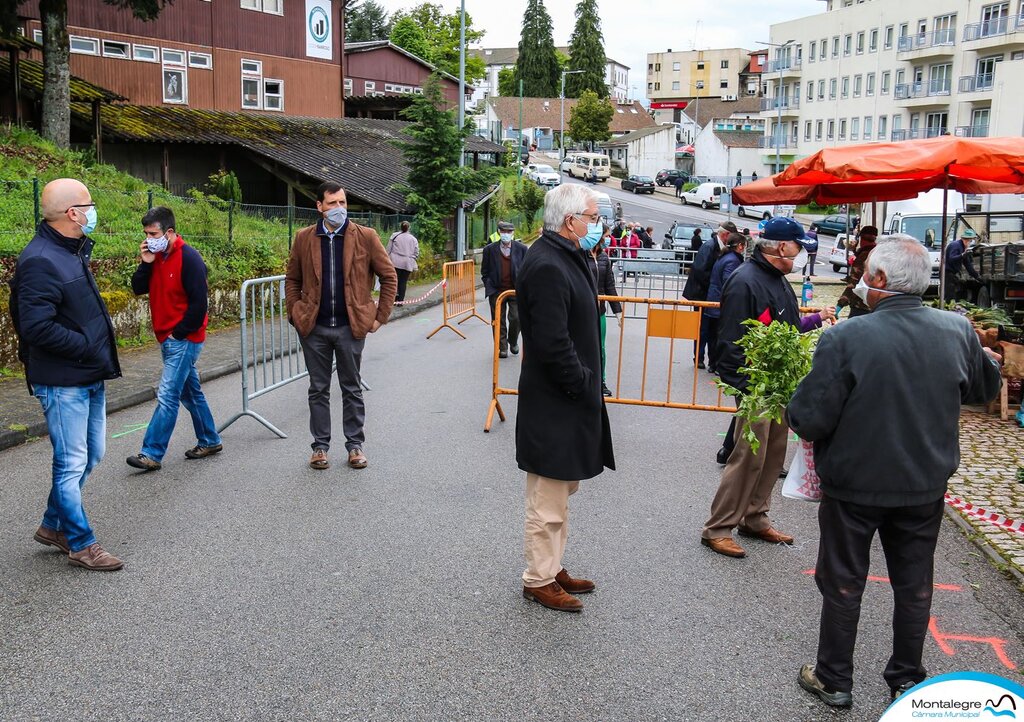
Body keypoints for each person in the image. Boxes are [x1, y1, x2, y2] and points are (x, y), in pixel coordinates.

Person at [788, 235, 1002, 709]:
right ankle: (906, 679)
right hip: (923, 483)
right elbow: (982, 390)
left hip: (854, 485)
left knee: (843, 580)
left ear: (879, 280)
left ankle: (834, 679)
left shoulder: (845, 336)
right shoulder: (957, 330)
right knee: (914, 584)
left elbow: (809, 416)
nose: (863, 278)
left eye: (867, 271)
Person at [701, 217, 834, 558]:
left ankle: (755, 517)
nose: (801, 253)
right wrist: (746, 388)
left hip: (778, 386)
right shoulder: (745, 281)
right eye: (798, 246)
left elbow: (785, 329)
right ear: (781, 246)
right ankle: (718, 527)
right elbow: (728, 341)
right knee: (747, 458)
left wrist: (813, 322)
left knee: (772, 456)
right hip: (756, 386)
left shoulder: (777, 279)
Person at [9, 178, 123, 571]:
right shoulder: (40, 259)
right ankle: (80, 542)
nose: (93, 211)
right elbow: (35, 327)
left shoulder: (70, 250)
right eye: (89, 205)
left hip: (87, 373)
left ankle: (52, 525)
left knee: (93, 454)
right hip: (62, 380)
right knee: (71, 462)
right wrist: (87, 347)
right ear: (73, 213)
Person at [516, 183, 615, 613]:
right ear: (571, 220)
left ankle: (552, 566)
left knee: (560, 491)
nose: (597, 225)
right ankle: (538, 578)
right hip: (555, 400)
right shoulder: (547, 264)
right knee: (547, 497)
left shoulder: (565, 254)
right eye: (592, 217)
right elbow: (553, 342)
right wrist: (581, 382)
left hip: (567, 399)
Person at [285, 182, 397, 471]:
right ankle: (320, 447)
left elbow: (389, 277)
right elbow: (293, 279)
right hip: (315, 328)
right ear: (319, 207)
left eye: (343, 203)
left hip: (351, 327)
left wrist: (378, 317)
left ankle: (354, 445)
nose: (338, 209)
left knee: (351, 387)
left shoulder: (366, 237)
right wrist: (296, 313)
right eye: (332, 204)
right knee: (318, 389)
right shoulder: (304, 238)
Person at [126, 206, 222, 472]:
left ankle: (151, 453)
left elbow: (199, 304)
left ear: (169, 232)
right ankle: (210, 439)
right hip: (167, 337)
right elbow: (137, 288)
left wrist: (178, 333)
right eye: (145, 233)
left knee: (168, 394)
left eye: (153, 233)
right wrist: (145, 263)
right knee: (191, 394)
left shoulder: (189, 258)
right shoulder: (155, 257)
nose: (148, 238)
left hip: (183, 338)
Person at [684, 221, 737, 368]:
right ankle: (699, 358)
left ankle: (712, 359)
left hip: (710, 295)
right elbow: (701, 271)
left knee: (713, 329)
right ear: (725, 234)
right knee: (701, 329)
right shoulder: (709, 246)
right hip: (701, 295)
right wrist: (714, 285)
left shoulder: (721, 247)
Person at [481, 220, 527, 358]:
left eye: (509, 232)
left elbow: (526, 269)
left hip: (515, 290)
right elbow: (485, 271)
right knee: (498, 320)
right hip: (496, 290)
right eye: (503, 232)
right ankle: (502, 348)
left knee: (516, 318)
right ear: (499, 232)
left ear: (513, 233)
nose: (506, 234)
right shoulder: (489, 250)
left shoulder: (522, 249)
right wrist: (489, 285)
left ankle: (512, 341)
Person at [586, 227, 623, 397]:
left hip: (599, 311)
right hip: (582, 311)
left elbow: (610, 286)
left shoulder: (604, 258)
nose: (609, 239)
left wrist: (618, 311)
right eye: (607, 236)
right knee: (582, 345)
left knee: (600, 348)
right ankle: (583, 380)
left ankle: (601, 381)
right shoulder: (579, 255)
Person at [702, 232, 746, 374]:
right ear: (740, 246)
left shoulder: (724, 257)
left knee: (714, 335)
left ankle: (713, 363)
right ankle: (718, 365)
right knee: (721, 336)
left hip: (714, 302)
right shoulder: (733, 261)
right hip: (721, 304)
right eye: (744, 246)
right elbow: (729, 282)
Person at [836, 225, 878, 318]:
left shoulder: (863, 256)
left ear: (861, 239)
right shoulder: (879, 254)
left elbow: (854, 283)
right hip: (876, 305)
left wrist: (839, 305)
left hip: (861, 305)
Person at [386, 221, 419, 303]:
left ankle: (394, 299)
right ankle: (401, 301)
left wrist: (386, 257)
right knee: (403, 281)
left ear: (400, 227)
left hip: (395, 262)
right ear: (409, 228)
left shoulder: (395, 235)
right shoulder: (413, 239)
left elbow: (388, 249)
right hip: (407, 263)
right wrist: (412, 258)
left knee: (395, 280)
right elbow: (416, 252)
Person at [945, 228, 982, 301]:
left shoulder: (963, 248)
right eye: (970, 240)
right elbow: (952, 258)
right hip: (947, 273)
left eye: (971, 240)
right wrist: (962, 255)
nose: (970, 242)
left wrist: (977, 277)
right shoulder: (955, 245)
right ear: (965, 239)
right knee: (950, 295)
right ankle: (947, 309)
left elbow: (968, 265)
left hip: (954, 273)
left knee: (959, 293)